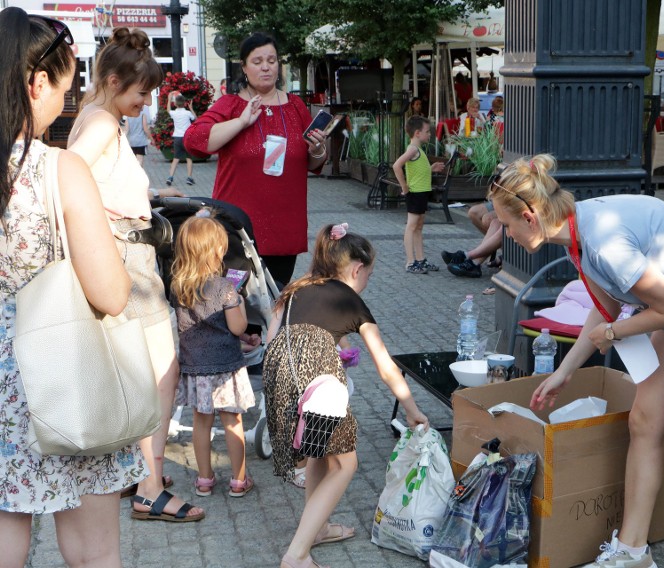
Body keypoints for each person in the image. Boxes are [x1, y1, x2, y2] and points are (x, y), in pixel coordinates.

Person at [489, 154, 664, 568]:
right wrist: (565, 372)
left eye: (505, 223)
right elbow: (605, 305)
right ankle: (633, 551)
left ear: (530, 216)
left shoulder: (603, 241)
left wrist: (616, 334)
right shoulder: (577, 232)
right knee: (644, 422)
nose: (504, 233)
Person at [0, 8, 142, 565]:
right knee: (91, 553)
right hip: (60, 377)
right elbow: (110, 294)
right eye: (64, 84)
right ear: (37, 83)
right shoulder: (57, 169)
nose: (66, 98)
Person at [67, 27, 203, 523]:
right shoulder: (103, 121)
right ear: (112, 80)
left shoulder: (97, 116)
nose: (145, 104)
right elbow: (70, 179)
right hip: (128, 259)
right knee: (161, 374)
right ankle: (150, 484)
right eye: (140, 93)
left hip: (123, 252)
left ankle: (137, 473)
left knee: (135, 373)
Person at [262, 223, 430, 568]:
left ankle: (318, 528)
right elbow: (385, 367)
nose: (366, 281)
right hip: (319, 382)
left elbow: (272, 338)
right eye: (368, 274)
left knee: (319, 454)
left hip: (278, 376)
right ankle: (296, 555)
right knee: (345, 463)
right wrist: (411, 409)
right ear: (357, 269)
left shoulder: (297, 288)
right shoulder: (351, 301)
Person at [184, 32, 328, 287]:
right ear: (244, 66)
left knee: (273, 305)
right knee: (238, 311)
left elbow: (312, 163)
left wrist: (318, 150)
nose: (266, 67)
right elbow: (194, 141)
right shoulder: (230, 105)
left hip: (284, 230)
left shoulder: (296, 107)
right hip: (237, 232)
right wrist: (240, 123)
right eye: (258, 61)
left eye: (272, 60)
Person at [170, 209, 257, 499]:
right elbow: (236, 327)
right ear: (217, 250)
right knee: (232, 422)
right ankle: (238, 480)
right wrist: (240, 304)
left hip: (195, 367)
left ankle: (205, 479)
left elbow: (203, 327)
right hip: (224, 370)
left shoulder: (180, 286)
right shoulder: (226, 288)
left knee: (200, 422)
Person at [392, 115, 445, 274]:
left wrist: (430, 168)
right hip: (415, 193)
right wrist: (405, 187)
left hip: (421, 192)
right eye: (427, 131)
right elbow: (397, 166)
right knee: (412, 225)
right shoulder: (413, 149)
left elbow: (416, 170)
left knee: (418, 225)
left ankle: (421, 259)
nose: (430, 134)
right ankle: (410, 262)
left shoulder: (418, 150)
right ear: (417, 133)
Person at [166, 91, 197, 187]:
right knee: (189, 158)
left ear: (175, 104)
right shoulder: (187, 113)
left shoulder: (174, 113)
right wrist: (191, 108)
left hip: (177, 137)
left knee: (176, 158)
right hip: (186, 138)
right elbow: (195, 118)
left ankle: (170, 177)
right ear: (185, 103)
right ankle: (189, 178)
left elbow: (168, 110)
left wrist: (168, 99)